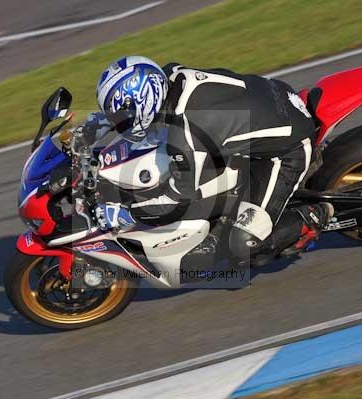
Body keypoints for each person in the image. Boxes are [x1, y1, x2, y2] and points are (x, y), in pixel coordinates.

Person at [84, 56, 333, 261]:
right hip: (274, 96)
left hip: (287, 152)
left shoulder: (188, 133)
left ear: (144, 101)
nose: (118, 120)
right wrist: (99, 123)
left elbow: (175, 201)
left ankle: (314, 215)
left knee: (243, 246)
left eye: (120, 114)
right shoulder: (172, 75)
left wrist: (126, 213)